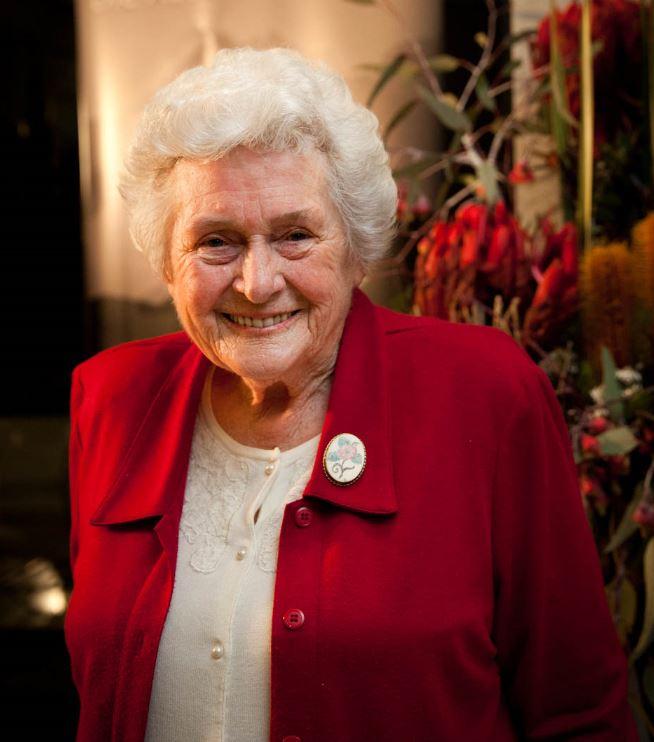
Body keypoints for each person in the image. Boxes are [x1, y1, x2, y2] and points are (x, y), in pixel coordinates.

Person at [65, 47, 637, 742]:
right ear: (166, 261)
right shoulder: (113, 397)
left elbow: (578, 713)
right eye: (216, 242)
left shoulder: (486, 393)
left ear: (358, 246)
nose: (257, 281)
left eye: (295, 235)